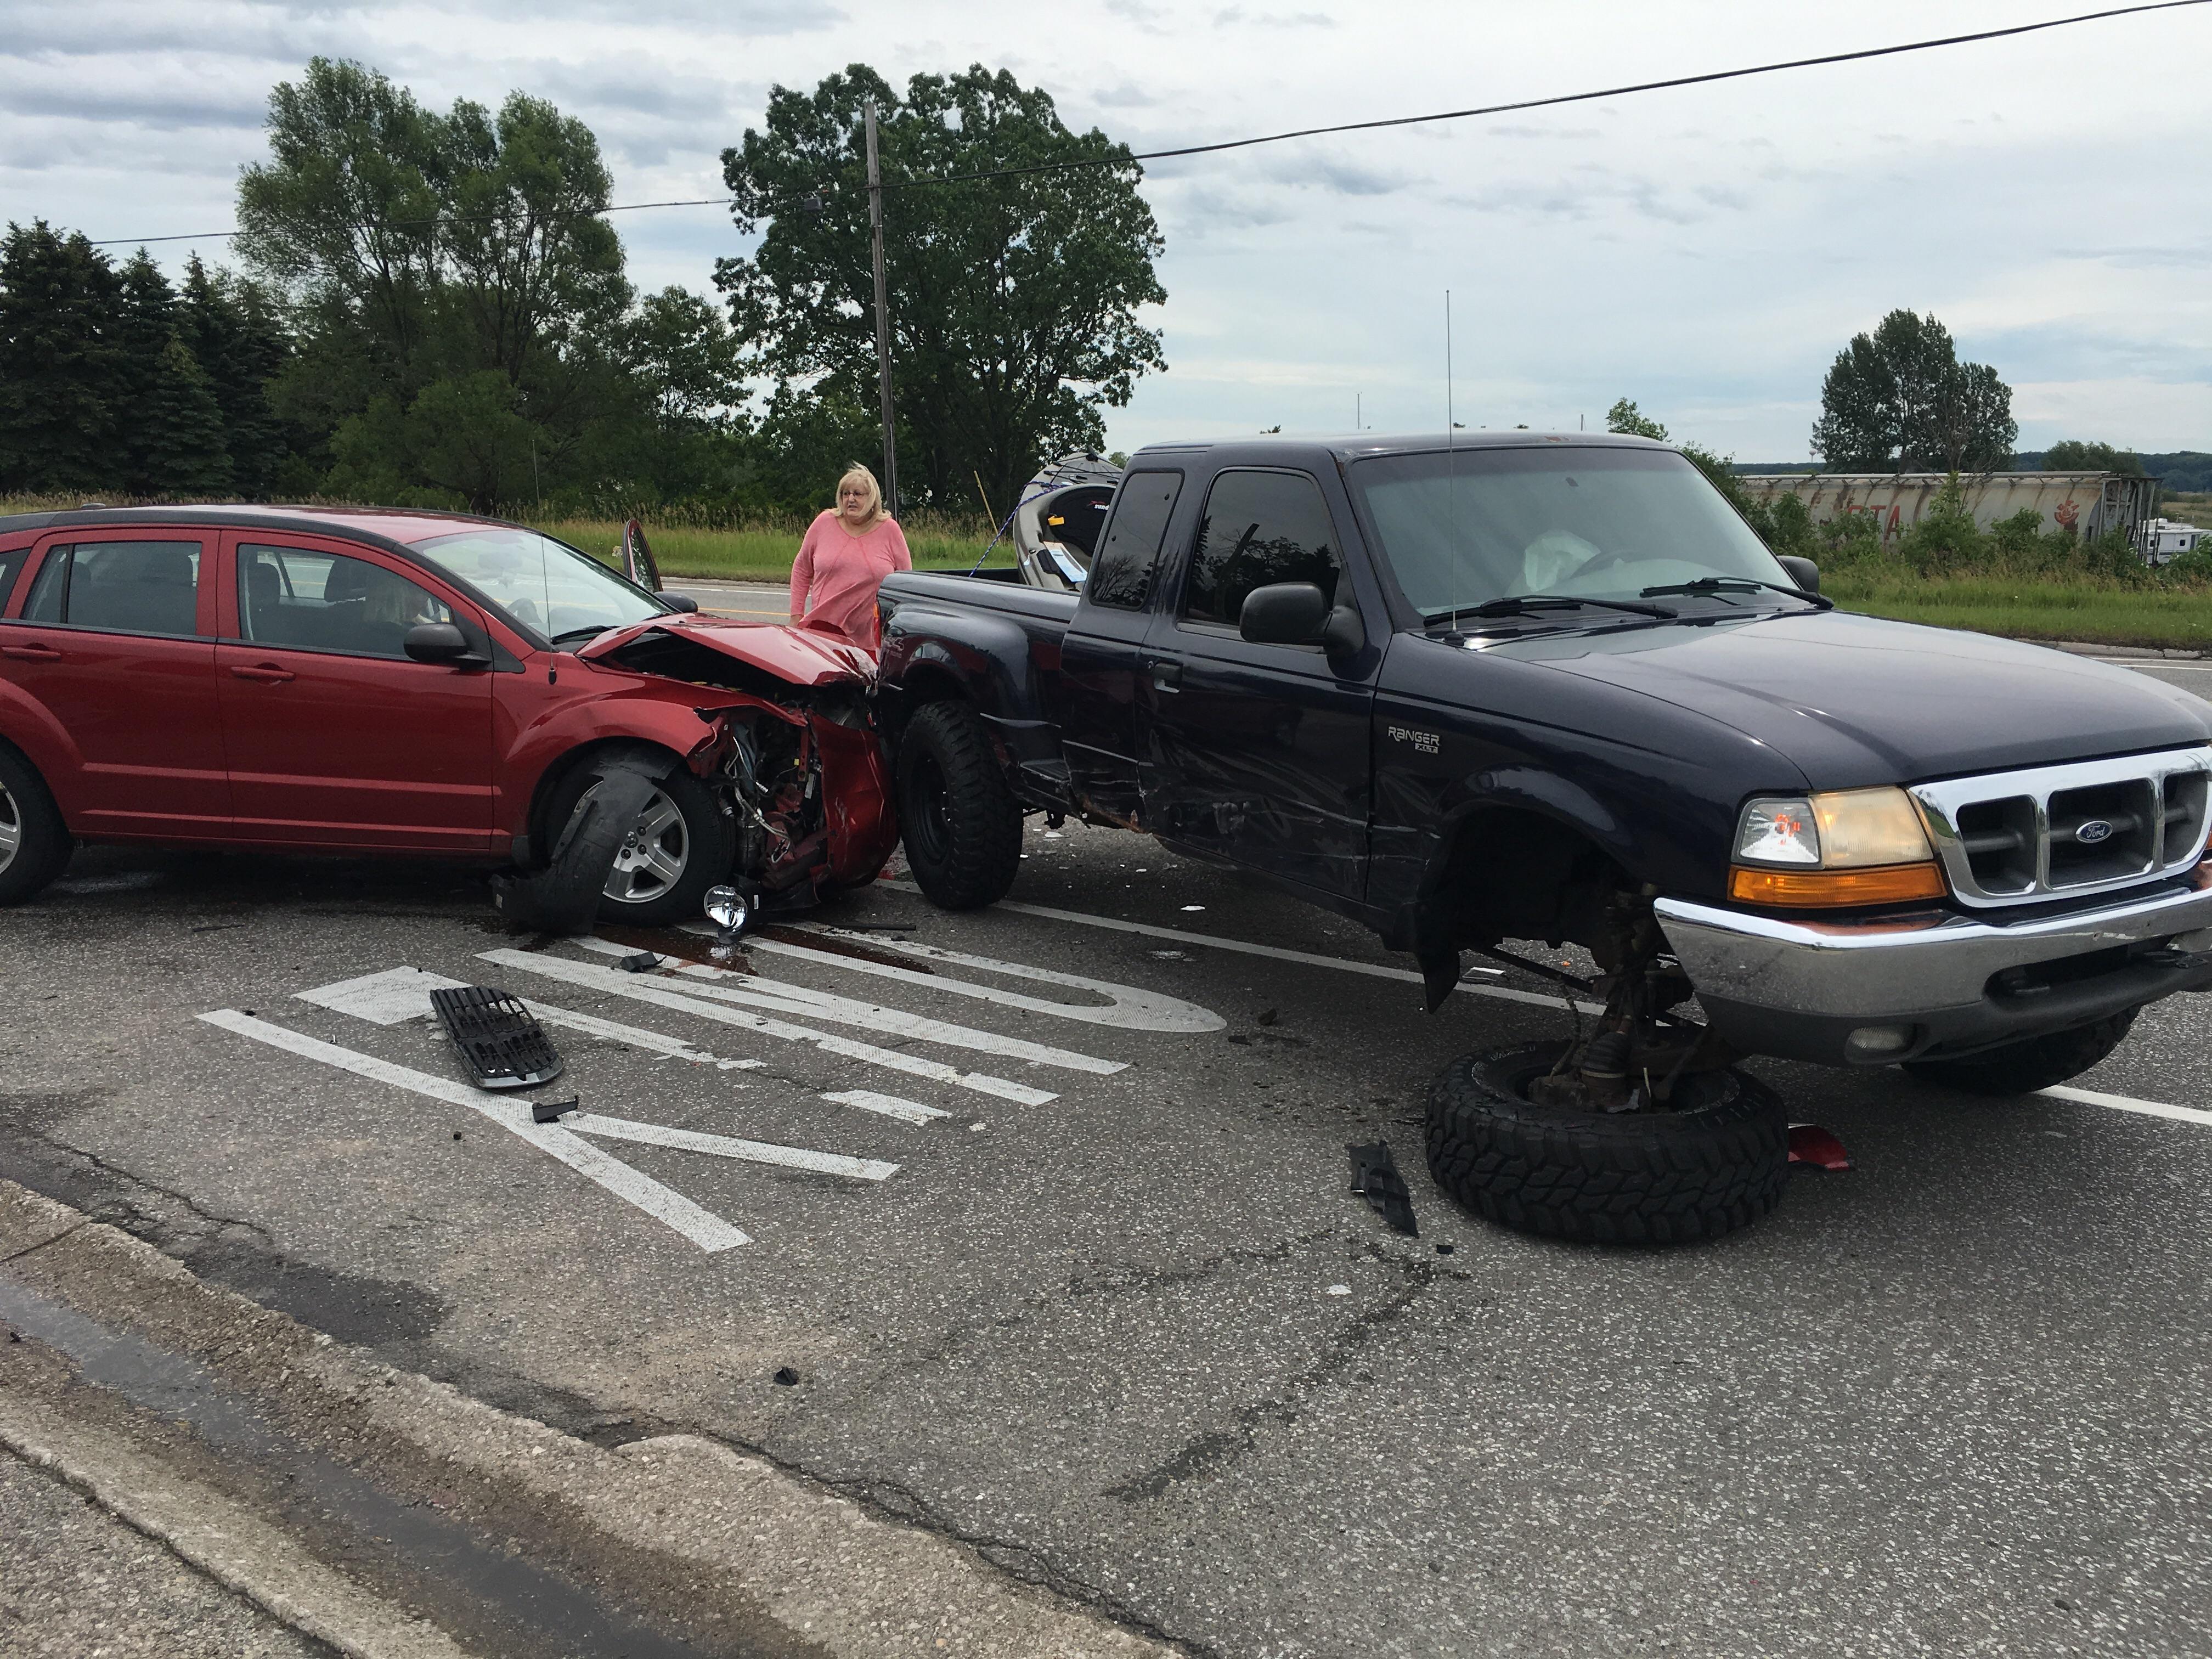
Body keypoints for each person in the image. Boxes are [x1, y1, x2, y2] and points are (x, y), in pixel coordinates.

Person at [789, 464, 912, 650]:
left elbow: (905, 582)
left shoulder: (890, 529)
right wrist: (796, 617)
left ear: (872, 498)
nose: (851, 499)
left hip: (871, 640)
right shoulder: (824, 522)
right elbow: (801, 569)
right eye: (845, 494)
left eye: (858, 494)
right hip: (823, 635)